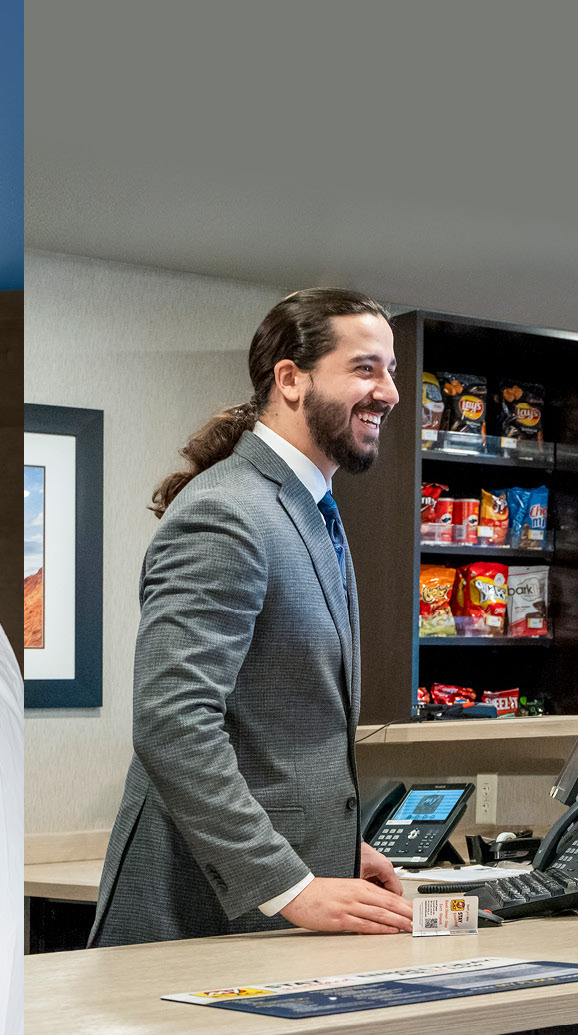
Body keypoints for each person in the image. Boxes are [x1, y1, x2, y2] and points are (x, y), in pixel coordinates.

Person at [89, 287, 415, 944]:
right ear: (290, 379)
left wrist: (333, 847)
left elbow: (277, 728)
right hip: (196, 922)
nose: (389, 392)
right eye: (365, 368)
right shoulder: (228, 513)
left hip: (266, 922)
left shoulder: (307, 506)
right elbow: (173, 727)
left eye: (391, 371)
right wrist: (288, 883)